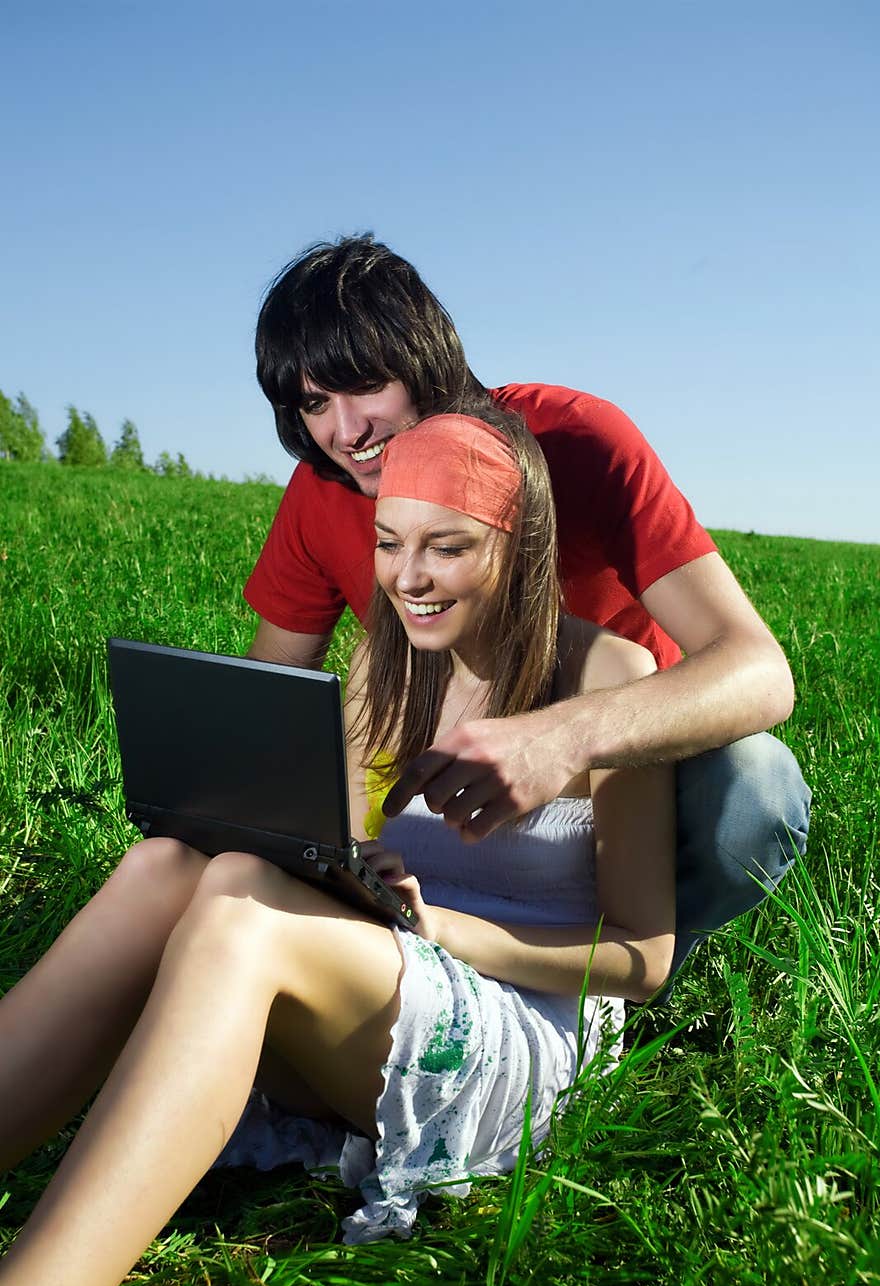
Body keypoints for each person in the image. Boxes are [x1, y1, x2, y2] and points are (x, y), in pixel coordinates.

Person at [0, 407, 673, 1286]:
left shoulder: (614, 683)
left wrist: (449, 929)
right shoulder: (388, 664)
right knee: (169, 864)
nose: (408, 578)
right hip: (385, 969)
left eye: (447, 548)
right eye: (390, 543)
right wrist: (350, 869)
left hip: (523, 1019)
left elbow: (643, 961)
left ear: (519, 546)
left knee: (238, 909)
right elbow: (339, 843)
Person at [245, 234, 811, 979]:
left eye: (365, 385)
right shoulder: (323, 494)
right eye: (316, 403)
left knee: (755, 789)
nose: (347, 432)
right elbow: (268, 706)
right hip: (449, 802)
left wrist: (563, 739)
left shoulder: (579, 439)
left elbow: (760, 671)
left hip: (623, 778)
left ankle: (626, 983)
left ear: (426, 361)